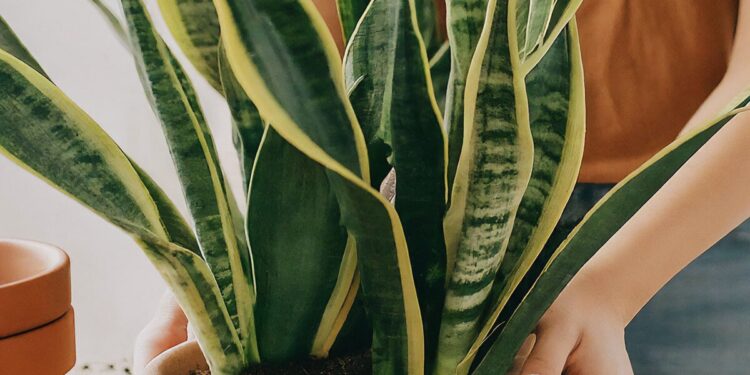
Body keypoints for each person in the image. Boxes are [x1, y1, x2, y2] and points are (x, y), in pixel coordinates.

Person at [135, 0, 750, 374]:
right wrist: (249, 273)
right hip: (427, 201)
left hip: (693, 218)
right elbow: (303, 60)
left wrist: (613, 285)